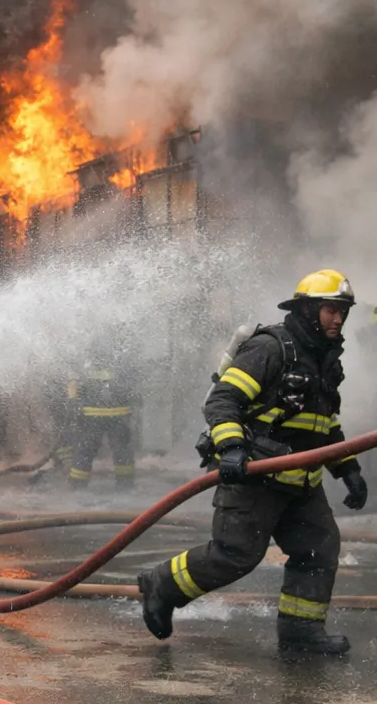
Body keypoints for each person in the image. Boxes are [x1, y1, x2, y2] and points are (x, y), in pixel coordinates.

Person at [139, 270, 367, 656]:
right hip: (256, 475)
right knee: (234, 555)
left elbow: (325, 424)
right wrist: (230, 446)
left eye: (343, 312)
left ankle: (301, 633)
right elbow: (223, 400)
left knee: (319, 548)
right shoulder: (271, 348)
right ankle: (162, 583)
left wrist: (348, 469)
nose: (338, 319)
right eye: (330, 310)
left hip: (302, 481)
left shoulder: (326, 360)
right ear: (309, 309)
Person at [66, 339, 137, 490]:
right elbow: (132, 378)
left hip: (95, 414)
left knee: (86, 451)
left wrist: (73, 400)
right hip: (111, 414)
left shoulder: (88, 346)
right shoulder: (121, 348)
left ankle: (78, 489)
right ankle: (125, 488)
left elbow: (73, 377)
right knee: (120, 451)